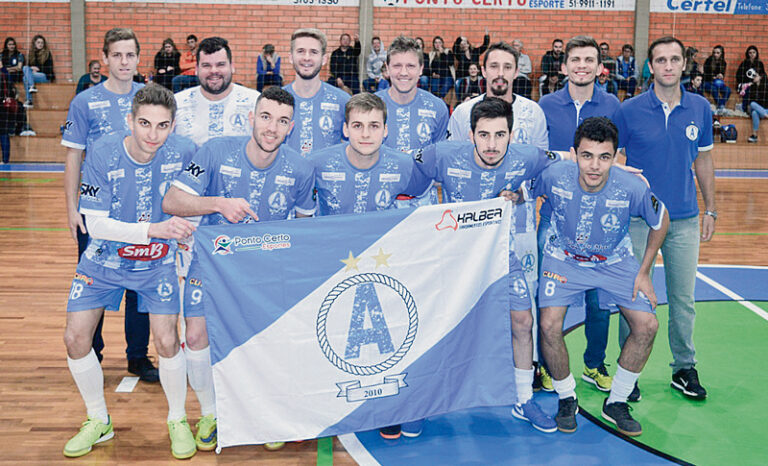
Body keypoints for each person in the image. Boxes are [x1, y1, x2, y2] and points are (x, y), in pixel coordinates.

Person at [163, 86, 314, 452]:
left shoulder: (300, 169)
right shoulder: (216, 150)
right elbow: (171, 200)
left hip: (266, 266)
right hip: (214, 260)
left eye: (281, 121)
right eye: (265, 117)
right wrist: (218, 204)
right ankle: (212, 412)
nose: (271, 128)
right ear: (251, 118)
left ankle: (267, 413)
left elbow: (305, 225)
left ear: (291, 128)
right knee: (196, 336)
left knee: (268, 339)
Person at [62, 84, 198, 459]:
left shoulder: (186, 151)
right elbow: (96, 223)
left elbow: (202, 195)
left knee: (167, 341)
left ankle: (177, 420)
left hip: (156, 263)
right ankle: (98, 420)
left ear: (173, 126)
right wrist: (156, 228)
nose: (152, 134)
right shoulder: (104, 151)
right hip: (103, 260)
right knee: (75, 339)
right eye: (144, 123)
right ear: (130, 120)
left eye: (162, 125)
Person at [407, 97, 559, 433]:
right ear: (470, 134)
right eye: (484, 135)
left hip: (500, 255)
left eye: (500, 135)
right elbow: (405, 174)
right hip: (450, 259)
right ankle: (421, 403)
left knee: (522, 320)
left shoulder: (527, 157)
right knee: (436, 328)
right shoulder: (442, 154)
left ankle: (522, 398)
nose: (492, 144)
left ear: (512, 134)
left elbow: (566, 162)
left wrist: (521, 196)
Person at [535, 116, 669, 437]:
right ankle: (567, 397)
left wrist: (645, 271)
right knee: (549, 325)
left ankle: (617, 401)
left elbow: (661, 220)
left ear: (616, 158)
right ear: (573, 153)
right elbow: (526, 185)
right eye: (587, 156)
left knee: (647, 325)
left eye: (605, 157)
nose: (595, 166)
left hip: (615, 261)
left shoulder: (631, 186)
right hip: (563, 258)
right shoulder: (554, 175)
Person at [613, 36, 715, 402]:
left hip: (685, 219)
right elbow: (613, 158)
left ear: (683, 65)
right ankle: (628, 372)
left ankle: (684, 368)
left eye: (674, 59)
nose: (668, 66)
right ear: (651, 66)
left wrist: (711, 208)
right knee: (633, 296)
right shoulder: (629, 110)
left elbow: (703, 160)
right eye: (661, 60)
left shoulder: (701, 108)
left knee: (683, 299)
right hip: (639, 220)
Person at [61, 28, 157, 382]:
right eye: (116, 55)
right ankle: (93, 353)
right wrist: (73, 210)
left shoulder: (149, 98)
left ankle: (138, 356)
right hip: (97, 212)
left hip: (142, 210)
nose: (123, 62)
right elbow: (73, 157)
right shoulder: (85, 102)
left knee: (140, 285)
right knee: (95, 282)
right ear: (104, 58)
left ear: (138, 58)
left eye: (130, 55)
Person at [538, 36, 622, 397]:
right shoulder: (546, 104)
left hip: (599, 218)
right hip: (555, 218)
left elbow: (617, 159)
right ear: (564, 66)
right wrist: (568, 158)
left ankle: (593, 362)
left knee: (598, 299)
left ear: (599, 67)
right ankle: (546, 365)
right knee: (548, 296)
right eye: (575, 59)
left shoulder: (613, 105)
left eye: (589, 60)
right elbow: (540, 156)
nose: (582, 65)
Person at [310, 92, 414, 216]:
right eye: (357, 126)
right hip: (331, 235)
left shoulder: (405, 165)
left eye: (374, 126)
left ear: (385, 130)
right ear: (346, 129)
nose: (365, 134)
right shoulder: (316, 164)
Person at [174, 36, 260, 146]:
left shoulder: (254, 102)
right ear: (196, 69)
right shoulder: (177, 104)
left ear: (232, 67)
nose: (214, 71)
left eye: (220, 64)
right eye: (206, 65)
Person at [284, 28, 349, 157]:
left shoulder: (343, 101)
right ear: (291, 57)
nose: (306, 58)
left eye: (313, 52)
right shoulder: (276, 101)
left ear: (324, 59)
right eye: (301, 51)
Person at [22, 34, 55, 108]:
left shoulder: (47, 54)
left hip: (44, 76)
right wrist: (31, 69)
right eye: (38, 42)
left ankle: (29, 98)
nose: (40, 44)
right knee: (25, 70)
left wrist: (38, 69)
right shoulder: (31, 54)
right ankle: (31, 90)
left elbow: (49, 69)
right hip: (33, 76)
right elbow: (28, 68)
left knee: (26, 76)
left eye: (42, 43)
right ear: (34, 43)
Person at [703, 45, 731, 113]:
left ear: (721, 53)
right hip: (707, 81)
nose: (715, 55)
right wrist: (713, 77)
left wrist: (721, 75)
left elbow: (722, 75)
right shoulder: (709, 61)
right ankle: (720, 105)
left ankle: (721, 105)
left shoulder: (723, 63)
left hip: (717, 82)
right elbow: (705, 74)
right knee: (714, 89)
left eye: (718, 53)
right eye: (714, 53)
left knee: (728, 90)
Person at [736, 46, 765, 112]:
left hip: (757, 84)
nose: (752, 54)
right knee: (748, 89)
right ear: (747, 54)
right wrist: (749, 82)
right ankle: (745, 109)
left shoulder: (760, 64)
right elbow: (738, 76)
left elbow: (763, 75)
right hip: (745, 84)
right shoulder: (744, 64)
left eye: (754, 52)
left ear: (756, 53)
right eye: (750, 53)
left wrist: (759, 78)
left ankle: (760, 108)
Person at [747, 70, 768, 143]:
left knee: (755, 111)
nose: (753, 77)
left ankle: (754, 135)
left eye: (755, 75)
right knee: (753, 109)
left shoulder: (766, 87)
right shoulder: (752, 87)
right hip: (761, 111)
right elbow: (750, 102)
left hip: (766, 109)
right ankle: (754, 136)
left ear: (761, 77)